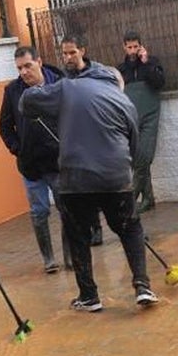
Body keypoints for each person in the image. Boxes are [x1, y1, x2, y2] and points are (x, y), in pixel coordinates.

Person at [21, 63, 158, 311]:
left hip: (76, 178)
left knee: (78, 235)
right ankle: (142, 286)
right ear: (117, 83)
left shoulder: (69, 87)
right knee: (130, 229)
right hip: (115, 176)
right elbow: (134, 145)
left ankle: (89, 296)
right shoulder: (123, 100)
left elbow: (28, 101)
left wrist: (39, 105)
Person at [0, 45, 70, 273]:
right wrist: (16, 148)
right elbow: (4, 125)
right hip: (30, 166)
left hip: (59, 163)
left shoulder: (60, 83)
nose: (23, 72)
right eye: (19, 68)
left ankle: (70, 257)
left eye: (27, 66)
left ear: (39, 61)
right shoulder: (12, 91)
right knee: (39, 213)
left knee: (67, 210)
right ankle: (49, 259)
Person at [58, 33, 103, 246]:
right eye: (65, 53)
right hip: (76, 140)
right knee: (86, 189)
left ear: (82, 51)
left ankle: (127, 226)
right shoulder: (64, 79)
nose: (68, 57)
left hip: (98, 138)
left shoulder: (96, 73)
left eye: (72, 52)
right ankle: (95, 227)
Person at [117, 31, 165, 214]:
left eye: (135, 46)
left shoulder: (152, 62)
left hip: (150, 115)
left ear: (141, 45)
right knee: (137, 159)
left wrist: (147, 63)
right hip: (130, 117)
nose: (132, 50)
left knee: (145, 156)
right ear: (124, 47)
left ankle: (132, 201)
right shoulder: (121, 69)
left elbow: (160, 83)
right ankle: (148, 198)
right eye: (129, 47)